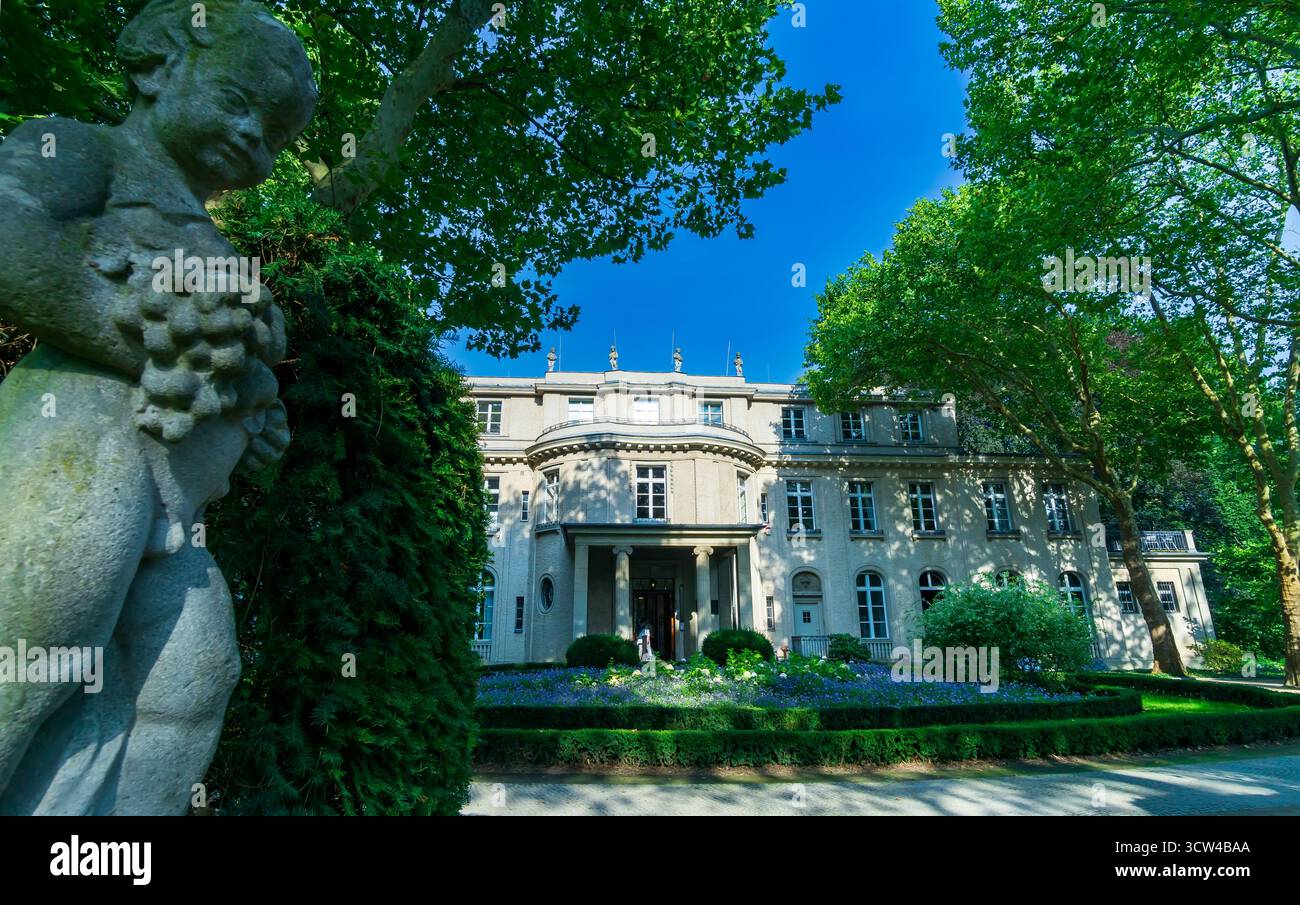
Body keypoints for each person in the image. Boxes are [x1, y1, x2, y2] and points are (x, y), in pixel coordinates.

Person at [0, 0, 316, 815]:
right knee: (37, 660)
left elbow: (225, 367)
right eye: (241, 104)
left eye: (276, 137)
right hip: (81, 442)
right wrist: (143, 337)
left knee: (194, 678)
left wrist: (254, 420)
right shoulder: (82, 149)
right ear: (158, 67)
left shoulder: (209, 238)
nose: (255, 139)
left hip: (179, 505)